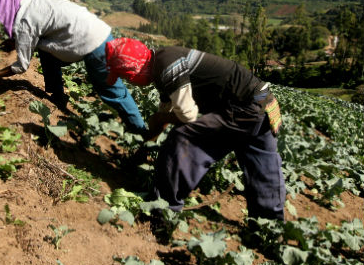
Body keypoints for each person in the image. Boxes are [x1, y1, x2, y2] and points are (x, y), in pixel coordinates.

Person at [105, 37, 286, 220]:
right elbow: (163, 116)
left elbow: (187, 115)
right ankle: (270, 225)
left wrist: (159, 119)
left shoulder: (166, 66)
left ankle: (164, 210)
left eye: (125, 77)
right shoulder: (161, 62)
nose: (129, 82)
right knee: (262, 164)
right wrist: (144, 149)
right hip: (262, 101)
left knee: (183, 140)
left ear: (134, 72)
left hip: (244, 107)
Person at [0, 0, 146, 135]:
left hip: (94, 44)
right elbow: (44, 25)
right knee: (45, 50)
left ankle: (142, 135)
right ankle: (57, 94)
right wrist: (17, 41)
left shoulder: (24, 21)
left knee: (112, 92)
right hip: (98, 30)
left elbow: (22, 66)